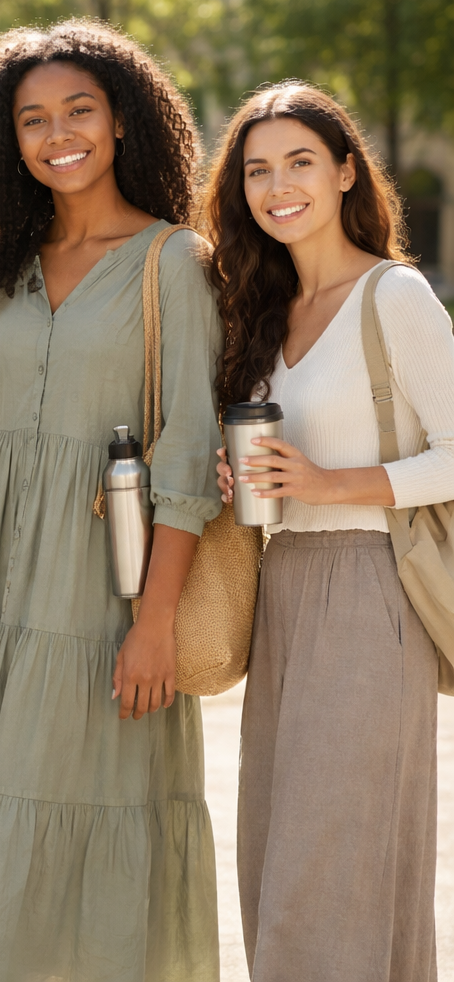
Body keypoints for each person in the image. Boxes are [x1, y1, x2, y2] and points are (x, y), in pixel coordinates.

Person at [0, 20, 223, 982]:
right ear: (5, 139)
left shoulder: (176, 262)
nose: (59, 133)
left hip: (111, 590)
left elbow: (188, 449)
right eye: (33, 118)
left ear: (123, 121)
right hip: (1, 595)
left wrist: (157, 622)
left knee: (98, 796)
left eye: (79, 110)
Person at [208, 81, 454, 982]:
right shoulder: (266, 314)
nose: (278, 186)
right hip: (285, 589)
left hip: (369, 595)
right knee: (276, 856)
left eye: (300, 162)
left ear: (347, 171)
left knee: (332, 864)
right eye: (258, 169)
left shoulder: (393, 295)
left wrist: (328, 481)